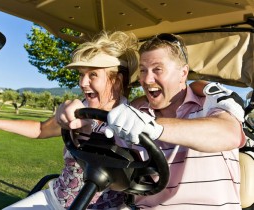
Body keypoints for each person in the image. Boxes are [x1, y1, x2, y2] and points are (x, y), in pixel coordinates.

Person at [0, 30, 140, 209]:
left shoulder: (134, 119)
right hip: (55, 200)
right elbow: (41, 129)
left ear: (117, 80)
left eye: (93, 74)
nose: (82, 83)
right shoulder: (77, 109)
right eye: (81, 74)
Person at [103, 33, 246, 210]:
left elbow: (229, 134)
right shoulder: (135, 112)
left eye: (157, 69)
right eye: (143, 70)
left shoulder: (209, 102)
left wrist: (154, 127)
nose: (146, 80)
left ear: (183, 73)